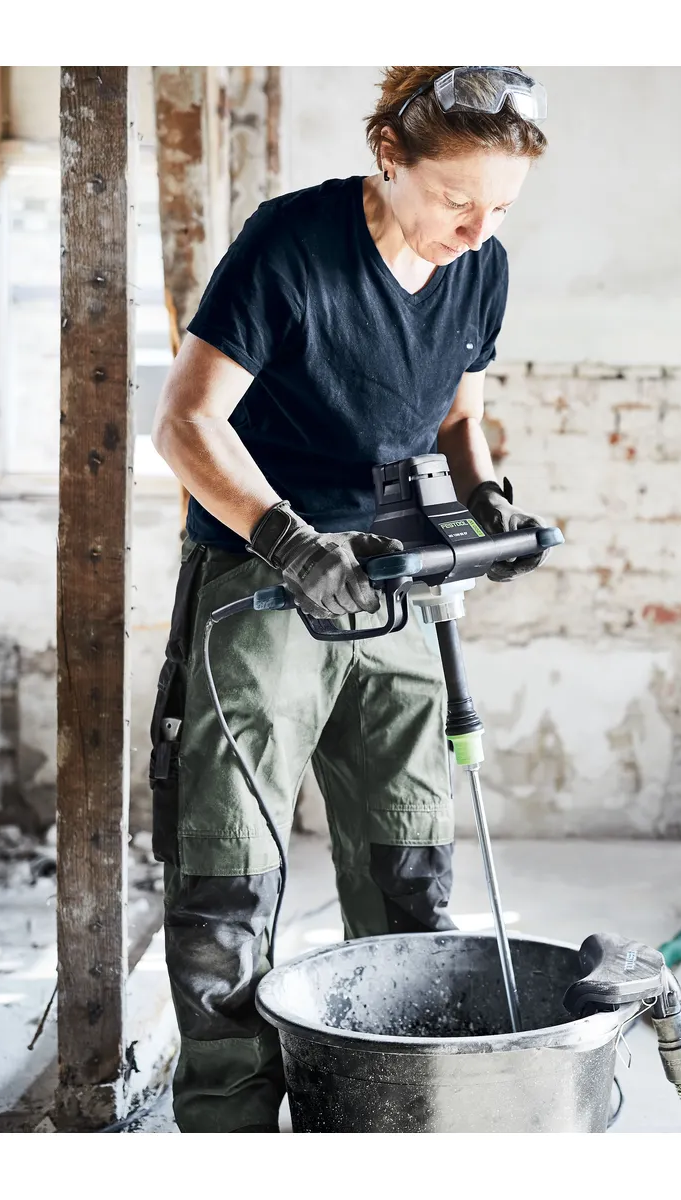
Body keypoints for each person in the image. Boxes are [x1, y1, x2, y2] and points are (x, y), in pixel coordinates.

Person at [146, 66, 551, 1133]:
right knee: (229, 871)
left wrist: (485, 500)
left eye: (501, 208)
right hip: (261, 583)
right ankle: (229, 1124)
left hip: (397, 582)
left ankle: (391, 1105)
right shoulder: (291, 244)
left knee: (409, 865)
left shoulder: (480, 266)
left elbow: (458, 416)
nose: (476, 229)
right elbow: (185, 423)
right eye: (456, 200)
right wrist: (289, 541)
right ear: (390, 156)